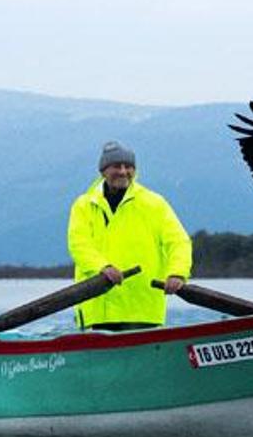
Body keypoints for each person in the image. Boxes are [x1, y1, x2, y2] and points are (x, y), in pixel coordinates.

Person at [67, 141, 192, 331]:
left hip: (143, 308)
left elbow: (178, 242)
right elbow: (79, 244)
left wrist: (177, 272)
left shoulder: (154, 203)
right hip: (97, 308)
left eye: (129, 167)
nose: (123, 171)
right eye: (117, 166)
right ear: (103, 171)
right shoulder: (83, 205)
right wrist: (102, 267)